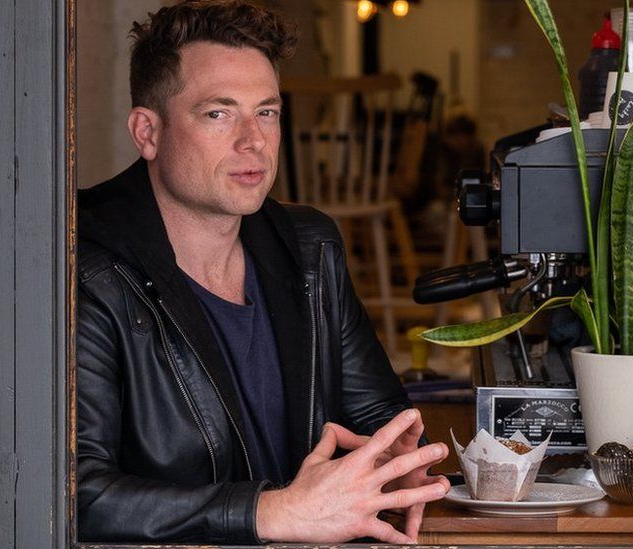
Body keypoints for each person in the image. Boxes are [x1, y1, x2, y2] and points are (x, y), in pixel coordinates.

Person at [76, 0, 449, 543]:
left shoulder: (309, 248)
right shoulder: (86, 267)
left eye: (267, 111)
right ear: (147, 132)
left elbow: (376, 413)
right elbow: (75, 494)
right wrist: (268, 513)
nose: (253, 140)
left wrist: (392, 462)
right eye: (218, 113)